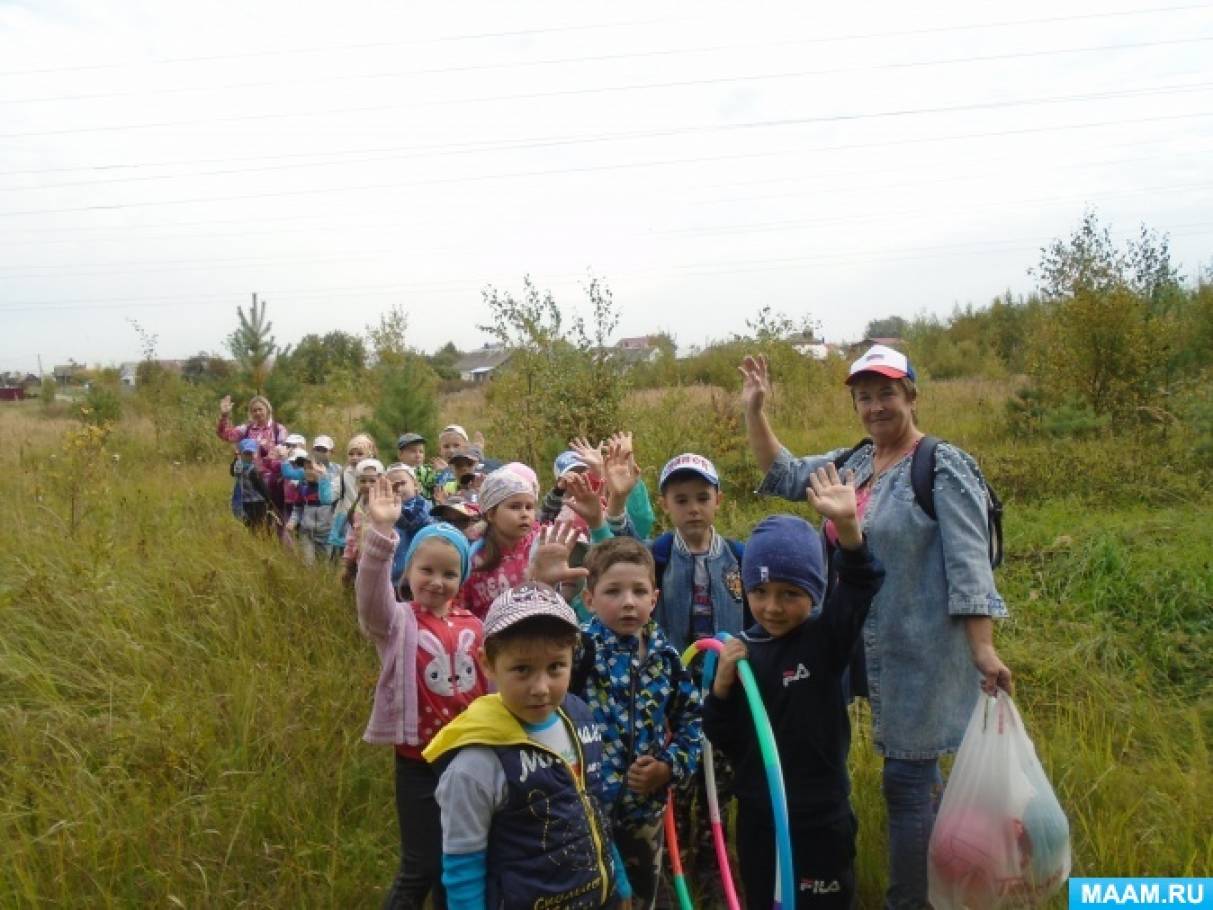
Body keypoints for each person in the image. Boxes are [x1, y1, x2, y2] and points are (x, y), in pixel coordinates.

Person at [739, 346, 1012, 910]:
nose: (875, 405)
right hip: (854, 646)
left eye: (887, 392)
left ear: (911, 394)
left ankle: (908, 902)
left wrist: (982, 648)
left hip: (919, 649)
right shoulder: (857, 463)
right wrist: (755, 410)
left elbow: (969, 561)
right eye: (864, 396)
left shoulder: (940, 465)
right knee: (862, 767)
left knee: (906, 785)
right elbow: (784, 471)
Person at [703, 471, 886, 909]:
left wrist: (847, 530)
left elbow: (860, 585)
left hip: (819, 814)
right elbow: (721, 736)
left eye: (790, 593)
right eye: (759, 591)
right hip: (759, 814)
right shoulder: (742, 651)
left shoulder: (825, 639)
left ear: (815, 593)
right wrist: (723, 685)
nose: (772, 606)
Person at [423, 583, 623, 910]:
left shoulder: (580, 717)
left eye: (556, 667)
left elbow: (595, 811)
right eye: (522, 670)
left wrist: (620, 886)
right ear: (487, 663)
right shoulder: (475, 766)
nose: (541, 688)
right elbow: (463, 867)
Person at [604, 448, 746, 906]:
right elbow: (621, 554)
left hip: (725, 700)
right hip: (669, 703)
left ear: (718, 500)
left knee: (716, 793)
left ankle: (715, 870)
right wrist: (618, 504)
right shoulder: (660, 556)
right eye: (681, 499)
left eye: (702, 497)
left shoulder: (739, 558)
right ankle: (673, 865)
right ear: (666, 505)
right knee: (672, 787)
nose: (693, 508)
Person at [357, 477, 486, 910]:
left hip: (467, 762)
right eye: (426, 570)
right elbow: (370, 600)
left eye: (450, 573)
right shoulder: (397, 622)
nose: (436, 581)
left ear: (463, 578)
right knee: (421, 864)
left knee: (458, 862)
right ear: (408, 572)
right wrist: (380, 536)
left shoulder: (475, 625)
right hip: (417, 762)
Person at [574, 537, 702, 909]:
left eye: (638, 591)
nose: (628, 602)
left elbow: (691, 720)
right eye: (613, 591)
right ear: (589, 599)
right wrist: (543, 583)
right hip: (586, 811)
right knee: (596, 896)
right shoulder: (579, 650)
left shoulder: (666, 658)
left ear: (654, 599)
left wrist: (668, 766)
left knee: (642, 894)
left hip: (644, 813)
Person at [456, 467, 609, 621]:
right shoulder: (472, 558)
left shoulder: (543, 546)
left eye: (529, 507)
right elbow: (461, 609)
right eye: (515, 506)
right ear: (491, 514)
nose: (524, 514)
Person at [384, 463, 434, 592]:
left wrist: (394, 514)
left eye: (402, 483)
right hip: (394, 577)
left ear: (416, 486)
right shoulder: (385, 510)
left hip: (418, 576)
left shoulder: (422, 506)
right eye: (392, 485)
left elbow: (412, 521)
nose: (397, 488)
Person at [328, 433, 377, 558]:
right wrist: (322, 479)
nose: (355, 457)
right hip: (347, 524)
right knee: (346, 558)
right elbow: (328, 497)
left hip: (370, 523)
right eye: (351, 454)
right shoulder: (344, 475)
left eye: (360, 454)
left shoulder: (378, 473)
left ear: (369, 454)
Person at [341, 458, 385, 586]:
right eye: (363, 481)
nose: (367, 485)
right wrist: (347, 561)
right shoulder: (357, 508)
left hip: (379, 564)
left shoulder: (385, 507)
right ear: (357, 483)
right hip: (360, 563)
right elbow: (352, 536)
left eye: (372, 481)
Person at [230, 437, 275, 533]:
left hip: (246, 501)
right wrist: (270, 500)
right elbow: (261, 487)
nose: (249, 456)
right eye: (247, 453)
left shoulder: (238, 466)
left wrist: (236, 458)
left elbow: (232, 472)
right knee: (259, 527)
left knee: (253, 527)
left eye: (251, 453)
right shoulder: (252, 470)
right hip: (257, 502)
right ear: (241, 453)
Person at [397, 433, 438, 501]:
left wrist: (441, 472)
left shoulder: (427, 472)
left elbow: (436, 483)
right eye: (413, 451)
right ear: (400, 454)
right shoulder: (396, 472)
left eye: (421, 452)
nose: (418, 455)